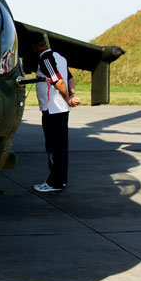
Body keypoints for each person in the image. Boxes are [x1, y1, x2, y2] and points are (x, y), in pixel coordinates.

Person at [31, 33, 79, 193]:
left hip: (53, 110)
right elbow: (70, 79)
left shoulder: (46, 59)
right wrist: (71, 96)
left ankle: (54, 182)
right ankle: (61, 180)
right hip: (62, 110)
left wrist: (67, 98)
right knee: (61, 147)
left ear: (36, 47)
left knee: (53, 147)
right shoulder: (60, 57)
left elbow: (58, 81)